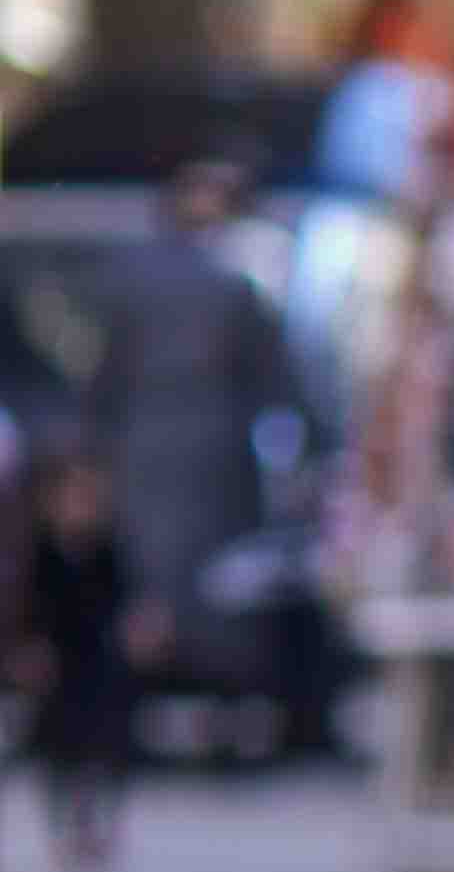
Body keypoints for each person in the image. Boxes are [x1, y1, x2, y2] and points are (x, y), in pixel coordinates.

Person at [82, 156, 302, 754]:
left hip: (169, 445)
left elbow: (104, 375)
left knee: (168, 579)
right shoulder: (236, 274)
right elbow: (276, 377)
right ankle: (208, 713)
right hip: (200, 446)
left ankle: (159, 706)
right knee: (200, 582)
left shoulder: (154, 273)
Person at [22, 453, 136, 872]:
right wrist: (31, 648)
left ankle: (96, 831)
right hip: (58, 666)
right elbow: (30, 608)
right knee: (59, 754)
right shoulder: (44, 552)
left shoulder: (106, 550)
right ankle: (62, 833)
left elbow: (124, 600)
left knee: (100, 750)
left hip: (98, 663)